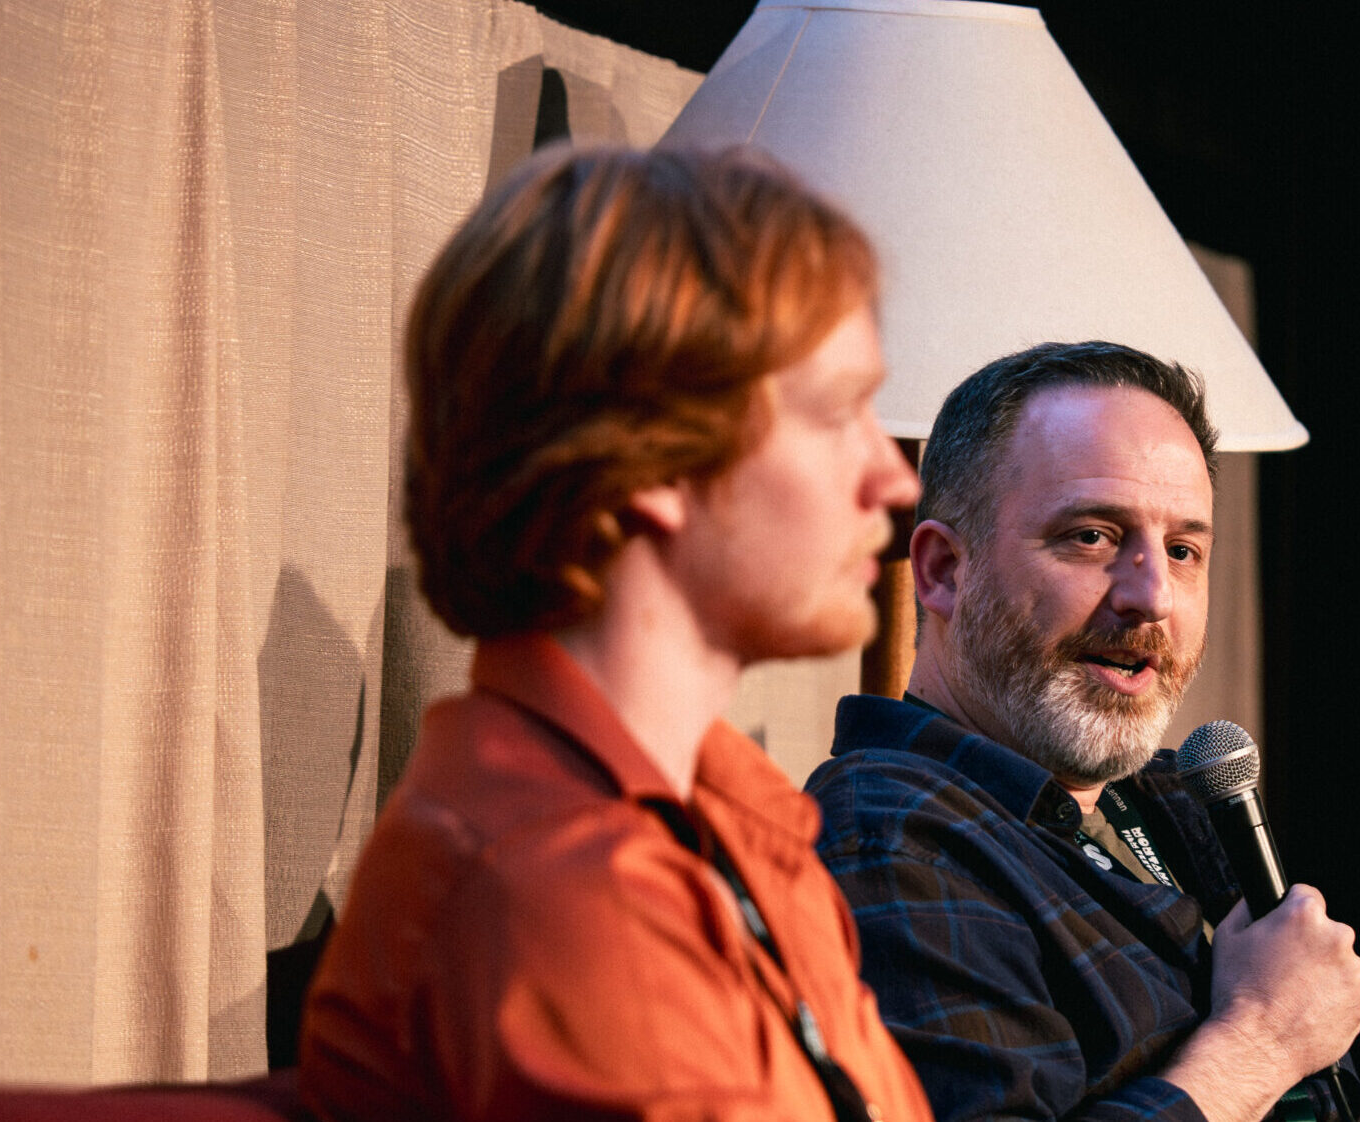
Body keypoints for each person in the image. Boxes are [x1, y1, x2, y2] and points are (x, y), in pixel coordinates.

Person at [296, 145, 933, 1122]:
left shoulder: (734, 822)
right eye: (838, 413)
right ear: (655, 463)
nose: (895, 482)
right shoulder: (561, 896)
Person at [804, 342, 1360, 1122]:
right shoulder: (888, 841)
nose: (1153, 596)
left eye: (1183, 550)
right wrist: (1261, 1041)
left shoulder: (1173, 795)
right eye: (1093, 536)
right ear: (944, 569)